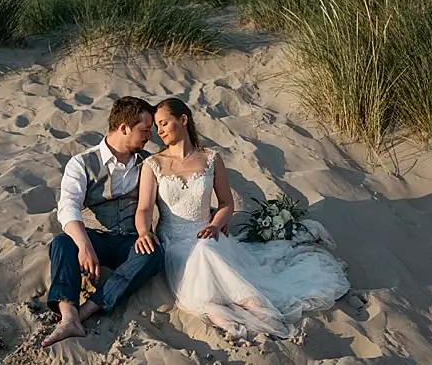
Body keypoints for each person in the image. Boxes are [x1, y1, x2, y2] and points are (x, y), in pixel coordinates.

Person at [135, 97, 350, 339]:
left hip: (208, 232)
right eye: (157, 126)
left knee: (208, 249)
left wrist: (216, 224)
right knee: (203, 267)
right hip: (174, 240)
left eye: (164, 123)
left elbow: (227, 203)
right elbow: (144, 208)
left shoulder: (210, 159)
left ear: (183, 119)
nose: (159, 130)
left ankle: (253, 305)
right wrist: (144, 232)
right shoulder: (153, 164)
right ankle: (232, 319)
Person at [42, 96, 165, 347]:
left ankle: (88, 309)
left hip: (132, 241)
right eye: (144, 130)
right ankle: (68, 315)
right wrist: (85, 246)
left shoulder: (149, 164)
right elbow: (68, 207)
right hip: (95, 238)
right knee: (62, 243)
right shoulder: (82, 163)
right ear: (124, 128)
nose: (149, 137)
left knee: (154, 254)